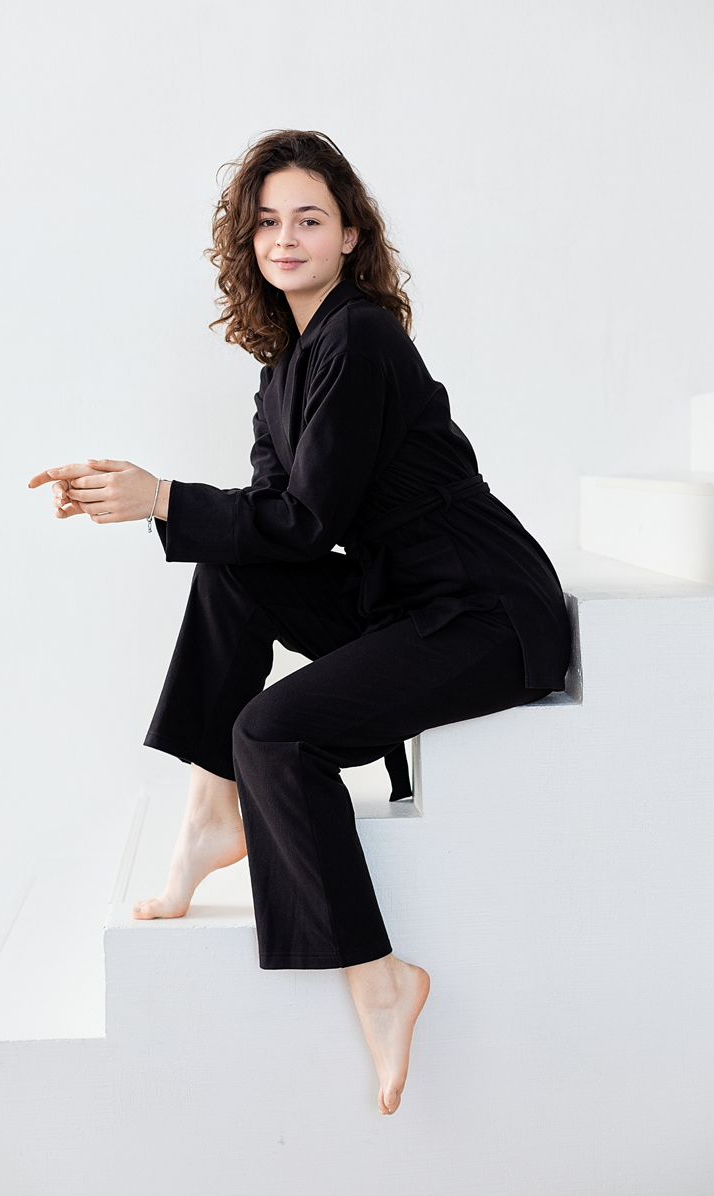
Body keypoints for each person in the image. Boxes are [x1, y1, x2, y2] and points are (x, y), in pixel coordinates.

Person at [29, 129, 571, 1116]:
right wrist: (142, 497)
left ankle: (379, 977)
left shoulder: (361, 339)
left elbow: (309, 521)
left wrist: (162, 498)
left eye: (309, 219)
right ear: (247, 241)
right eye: (267, 222)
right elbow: (268, 527)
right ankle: (210, 814)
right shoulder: (284, 367)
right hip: (401, 598)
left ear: (350, 236)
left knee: (273, 732)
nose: (285, 238)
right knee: (231, 568)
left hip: (484, 609)